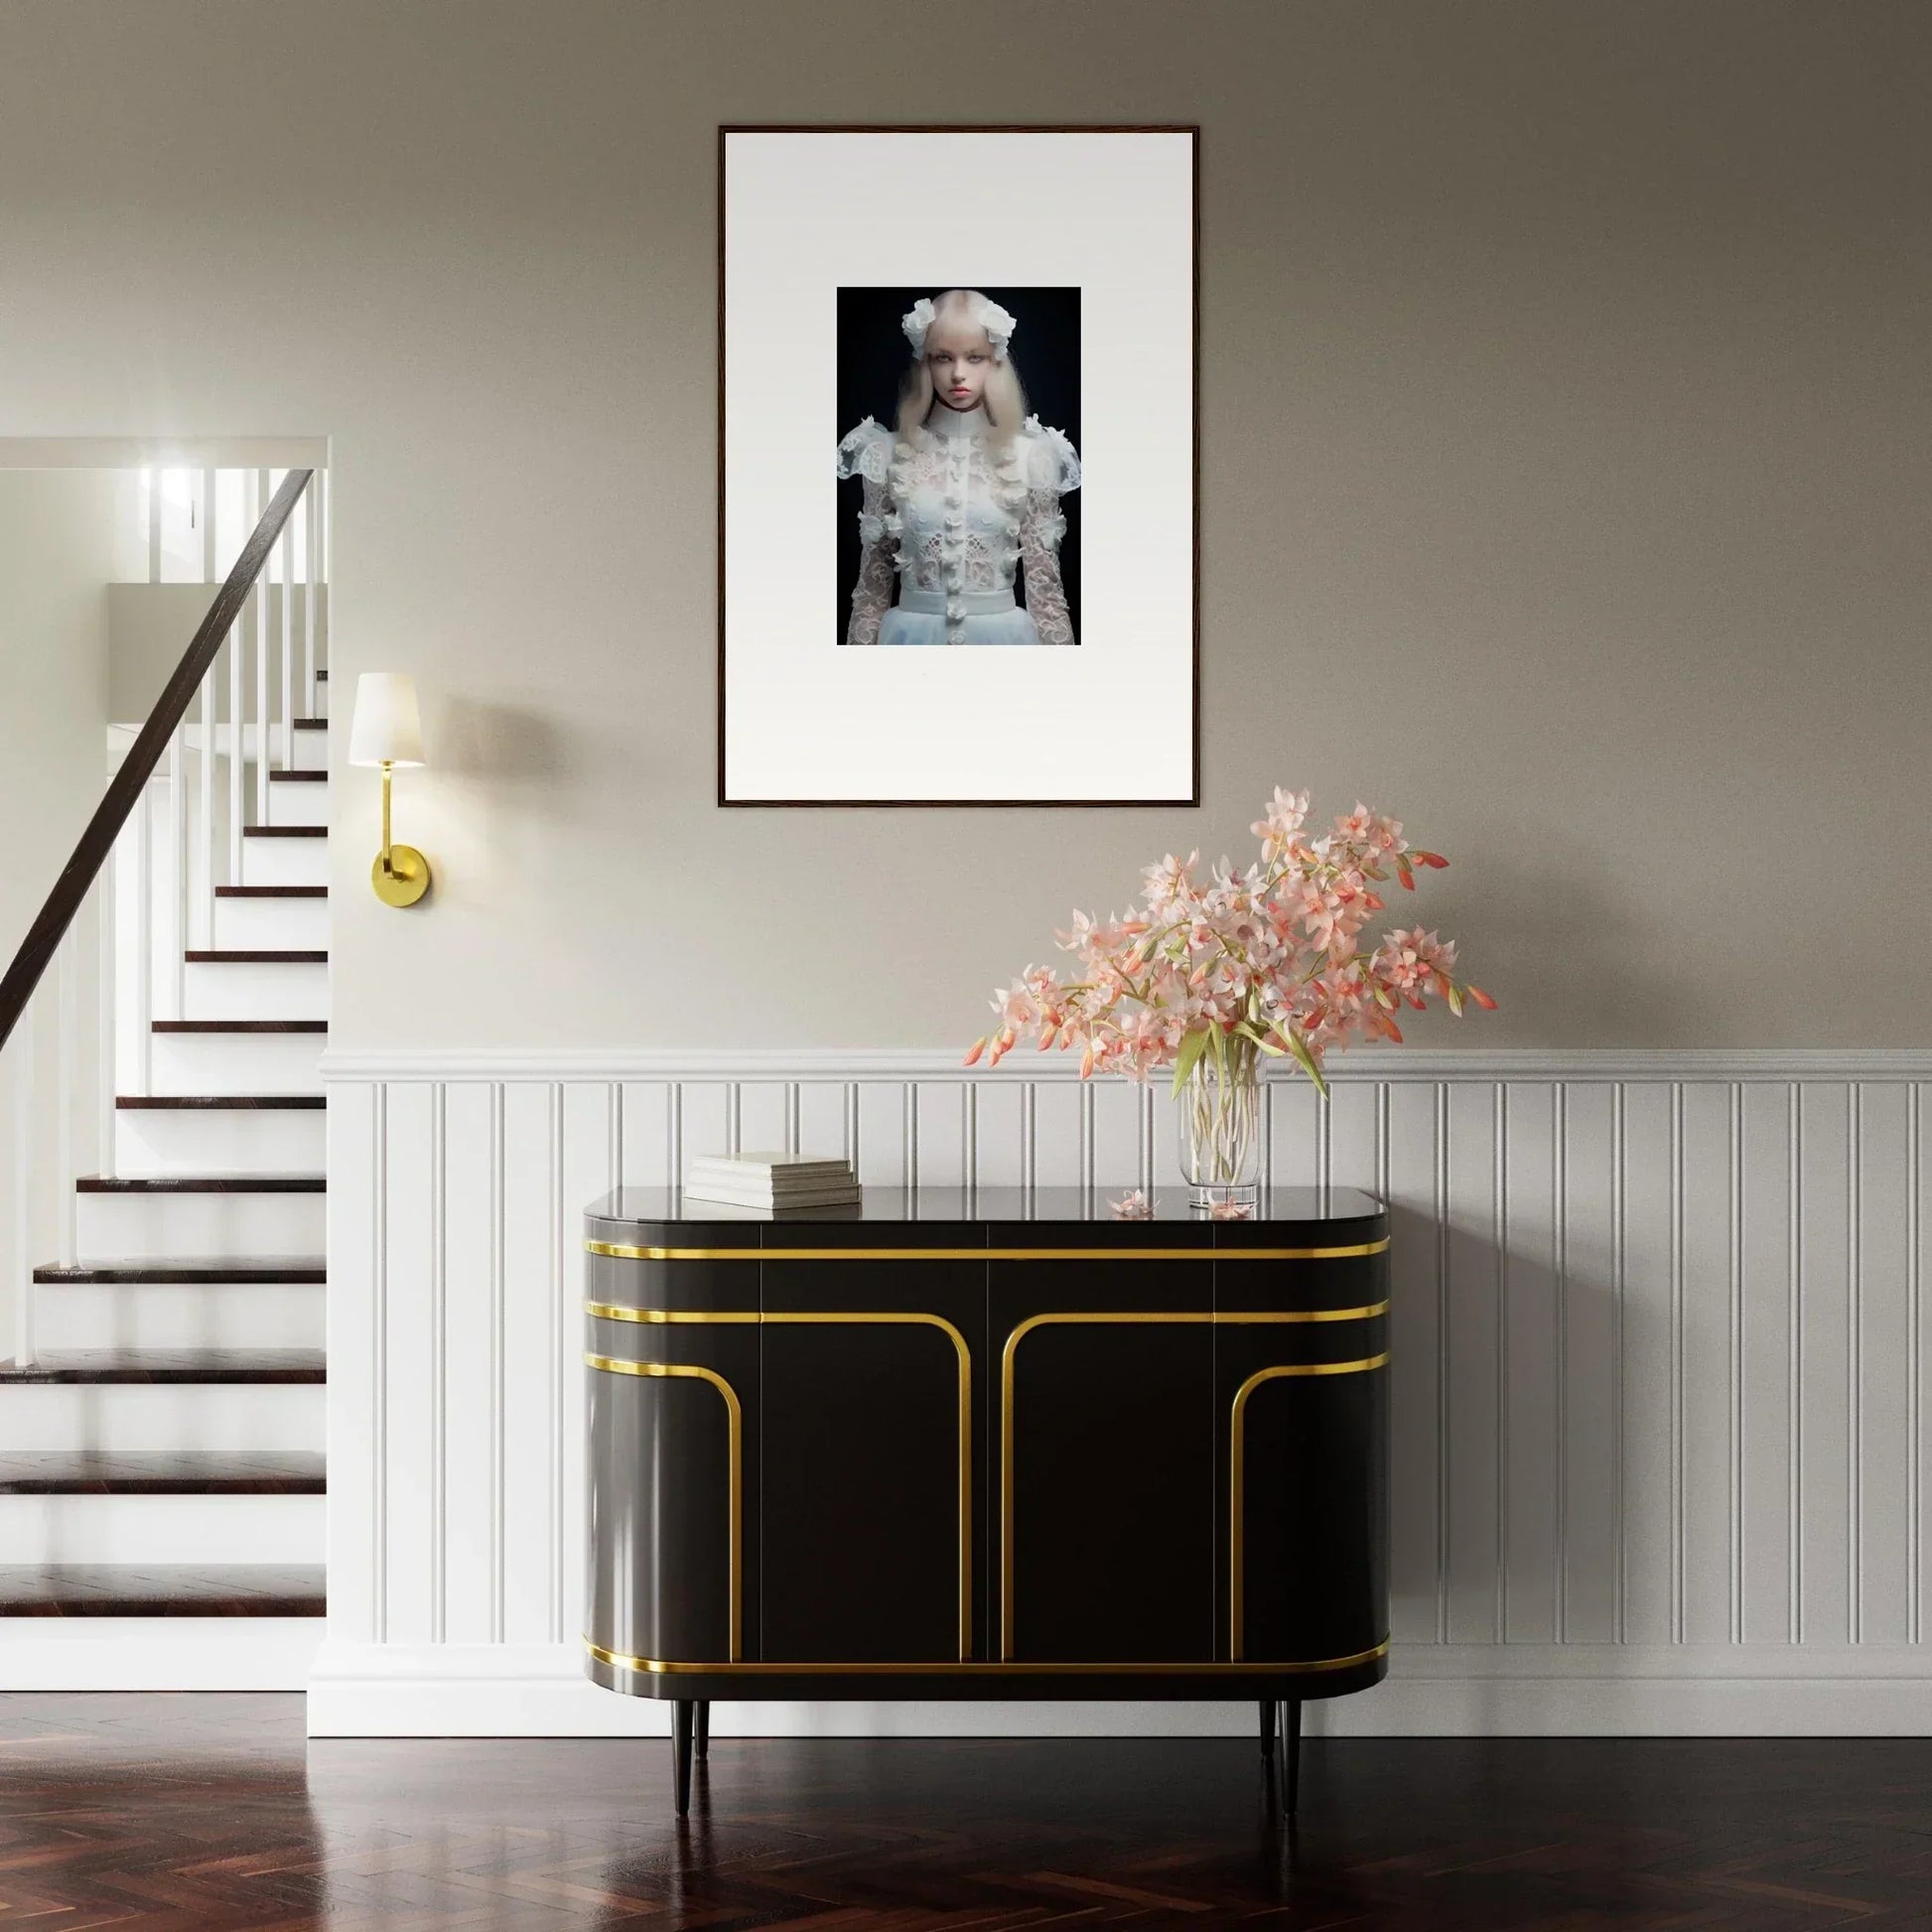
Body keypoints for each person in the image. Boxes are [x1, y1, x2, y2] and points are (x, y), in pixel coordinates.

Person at [836, 289, 1080, 647]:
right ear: (925, 362)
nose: (958, 374)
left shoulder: (1034, 455)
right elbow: (872, 589)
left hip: (1003, 644)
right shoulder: (886, 453)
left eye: (975, 357)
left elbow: (1046, 595)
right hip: (909, 643)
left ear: (995, 361)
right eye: (943, 358)